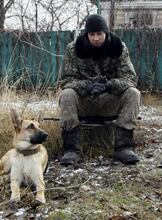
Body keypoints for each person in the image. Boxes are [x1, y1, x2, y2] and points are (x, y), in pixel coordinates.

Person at [57, 14, 141, 166]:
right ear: (86, 34)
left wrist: (109, 85)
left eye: (99, 34)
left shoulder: (118, 47)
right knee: (67, 94)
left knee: (133, 93)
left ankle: (123, 147)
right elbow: (66, 80)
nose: (96, 38)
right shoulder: (73, 49)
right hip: (85, 101)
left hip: (109, 100)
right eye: (92, 34)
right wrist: (87, 87)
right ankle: (71, 149)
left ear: (106, 33)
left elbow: (130, 78)